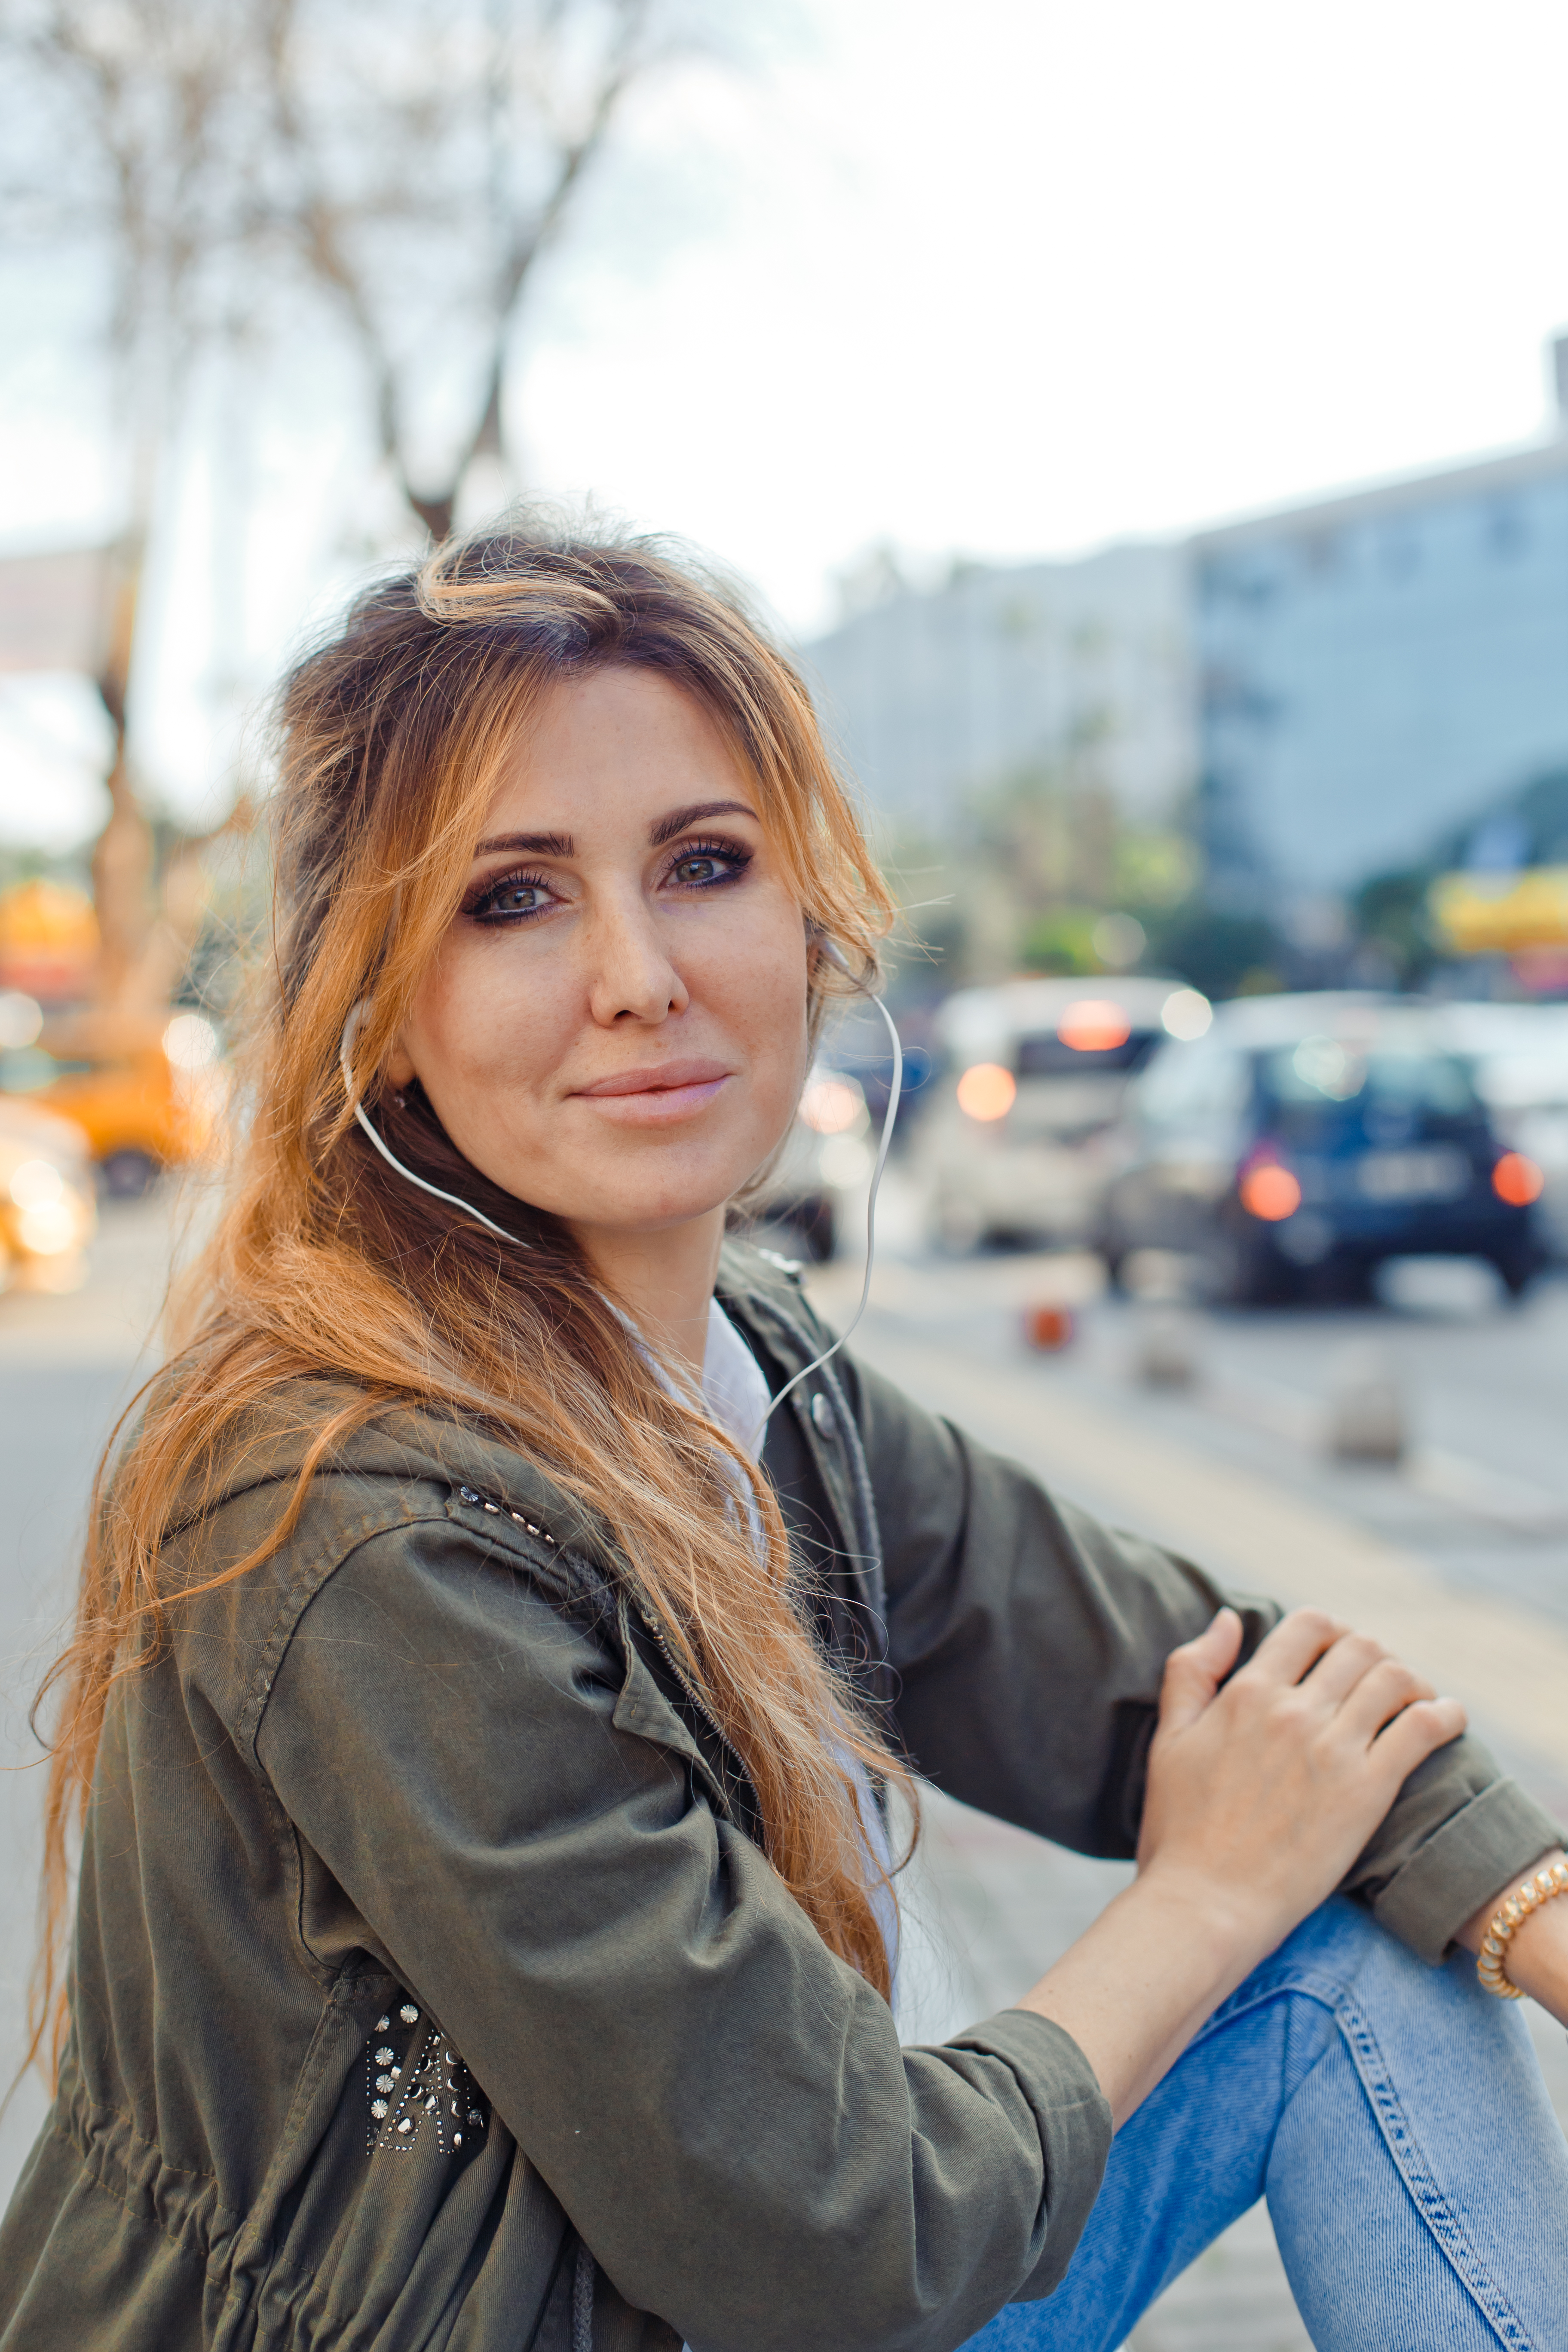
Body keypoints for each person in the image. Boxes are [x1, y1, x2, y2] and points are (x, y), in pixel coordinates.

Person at [2, 521, 1565, 2352]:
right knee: (1274, 1916)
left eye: (703, 864)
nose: (638, 974)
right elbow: (835, 2244)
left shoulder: (752, 1371)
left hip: (806, 2272)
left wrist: (1529, 1902)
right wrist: (1209, 1892)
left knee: (1366, 1943)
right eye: (513, 898)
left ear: (810, 922)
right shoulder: (364, 1523)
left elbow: (1215, 1687)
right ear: (385, 1007)